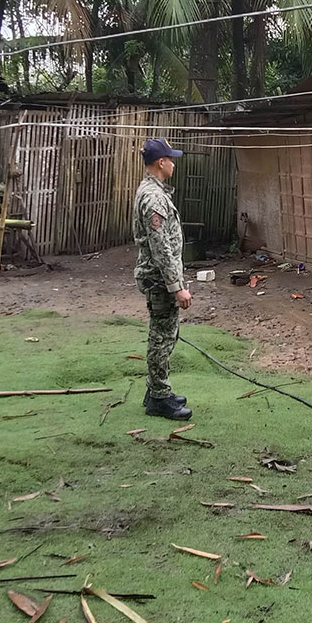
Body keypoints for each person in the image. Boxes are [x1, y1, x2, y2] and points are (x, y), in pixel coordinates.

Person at [134, 138, 193, 421]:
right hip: (159, 279)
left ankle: (155, 389)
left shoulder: (154, 191)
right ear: (161, 163)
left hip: (159, 276)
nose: (173, 163)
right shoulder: (154, 197)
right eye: (171, 159)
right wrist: (177, 286)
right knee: (161, 338)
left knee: (165, 334)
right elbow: (161, 247)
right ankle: (159, 396)